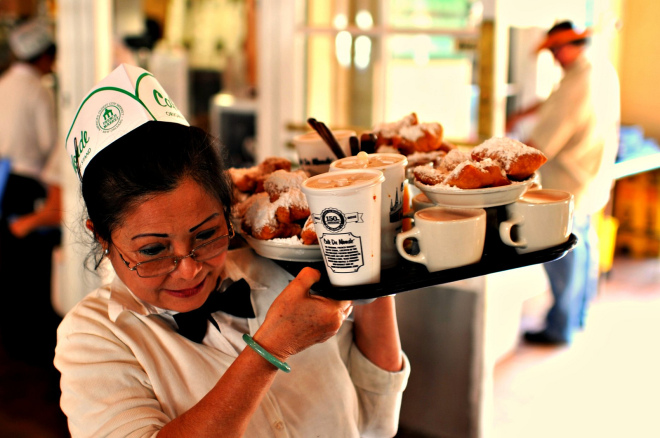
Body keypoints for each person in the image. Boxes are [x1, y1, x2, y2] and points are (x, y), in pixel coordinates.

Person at [54, 64, 409, 437]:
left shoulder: (282, 263)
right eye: (155, 250)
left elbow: (375, 420)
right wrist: (271, 349)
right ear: (102, 239)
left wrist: (375, 251)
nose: (189, 270)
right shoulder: (92, 338)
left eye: (206, 235)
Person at [507, 21, 620, 345]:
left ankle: (560, 327)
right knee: (584, 247)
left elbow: (543, 143)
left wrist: (511, 159)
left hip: (569, 180)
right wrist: (521, 115)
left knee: (565, 254)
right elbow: (554, 102)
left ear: (572, 45)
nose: (555, 57)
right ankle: (577, 316)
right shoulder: (599, 71)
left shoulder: (577, 83)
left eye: (557, 50)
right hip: (592, 174)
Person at [0, 18, 62, 365]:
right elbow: (49, 144)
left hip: (3, 179)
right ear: (43, 57)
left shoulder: (4, 83)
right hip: (27, 184)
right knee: (32, 265)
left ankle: (12, 337)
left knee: (8, 259)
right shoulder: (38, 89)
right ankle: (33, 341)